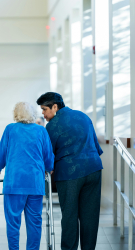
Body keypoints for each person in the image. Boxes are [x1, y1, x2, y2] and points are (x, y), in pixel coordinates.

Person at [37, 92, 103, 250]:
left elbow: (48, 155)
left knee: (69, 216)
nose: (43, 114)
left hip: (69, 174)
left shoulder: (52, 126)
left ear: (55, 106)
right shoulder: (83, 117)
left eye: (45, 109)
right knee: (90, 216)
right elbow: (97, 147)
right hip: (94, 170)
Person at [0, 102, 54, 250]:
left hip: (14, 183)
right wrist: (48, 168)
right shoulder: (41, 131)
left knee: (13, 222)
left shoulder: (10, 129)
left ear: (16, 114)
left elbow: (2, 152)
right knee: (34, 222)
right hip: (35, 183)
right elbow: (48, 155)